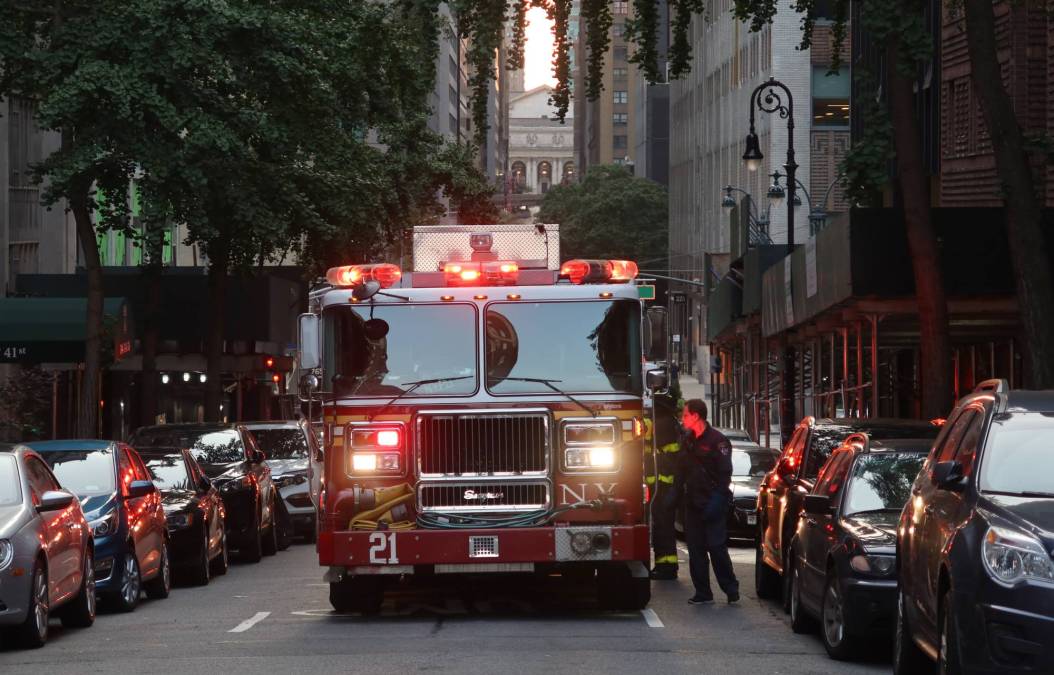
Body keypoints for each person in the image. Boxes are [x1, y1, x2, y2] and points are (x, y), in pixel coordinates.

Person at [675, 398, 739, 604]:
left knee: (717, 548)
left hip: (713, 503)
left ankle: (731, 588)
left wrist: (718, 500)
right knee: (696, 551)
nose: (682, 419)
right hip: (693, 504)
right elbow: (681, 471)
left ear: (696, 416)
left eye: (685, 415)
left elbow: (724, 475)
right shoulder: (687, 441)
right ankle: (703, 593)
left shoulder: (718, 441)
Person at [645, 393, 682, 580]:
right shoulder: (670, 422)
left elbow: (645, 436)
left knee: (662, 526)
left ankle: (666, 567)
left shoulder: (660, 423)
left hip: (662, 484)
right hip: (664, 484)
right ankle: (666, 564)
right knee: (663, 525)